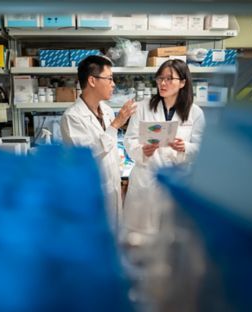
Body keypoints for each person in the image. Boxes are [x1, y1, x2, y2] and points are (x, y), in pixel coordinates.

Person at [123, 59, 206, 234]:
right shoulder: (142, 108)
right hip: (146, 179)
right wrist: (142, 151)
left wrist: (185, 147)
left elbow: (201, 149)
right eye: (160, 78)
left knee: (172, 239)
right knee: (140, 239)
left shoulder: (195, 112)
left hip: (177, 181)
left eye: (169, 79)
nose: (163, 83)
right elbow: (129, 140)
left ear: (182, 82)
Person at [60, 55, 136, 231]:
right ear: (92, 80)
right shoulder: (72, 117)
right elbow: (88, 154)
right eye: (109, 79)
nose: (113, 84)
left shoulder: (107, 110)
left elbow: (110, 147)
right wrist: (116, 124)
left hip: (112, 189)